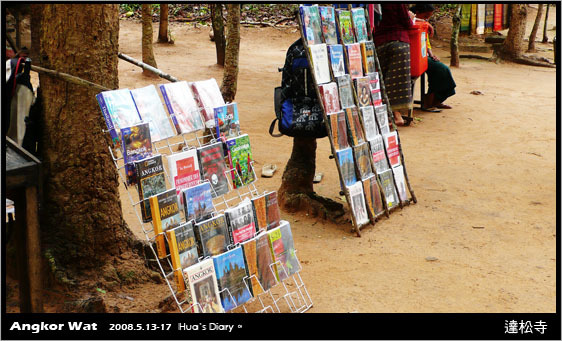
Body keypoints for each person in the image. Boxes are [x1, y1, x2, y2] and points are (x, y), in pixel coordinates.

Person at [373, 4, 415, 126]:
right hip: (398, 42)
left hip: (379, 43)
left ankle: (391, 116)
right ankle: (396, 116)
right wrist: (411, 17)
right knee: (397, 83)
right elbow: (408, 23)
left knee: (384, 80)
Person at [410, 4, 457, 110]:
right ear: (417, 12)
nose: (427, 19)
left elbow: (425, 42)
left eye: (428, 17)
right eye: (425, 16)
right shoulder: (413, 21)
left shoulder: (423, 24)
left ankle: (435, 99)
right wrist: (426, 23)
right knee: (441, 70)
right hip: (414, 57)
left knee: (442, 71)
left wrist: (431, 54)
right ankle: (431, 100)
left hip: (423, 55)